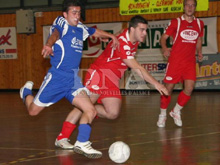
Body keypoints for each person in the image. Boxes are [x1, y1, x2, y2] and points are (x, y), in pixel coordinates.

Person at [20, 0, 119, 159]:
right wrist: (48, 45)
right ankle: (25, 92)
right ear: (65, 14)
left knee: (90, 109)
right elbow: (55, 34)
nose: (77, 16)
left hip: (73, 80)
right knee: (33, 111)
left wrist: (111, 36)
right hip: (57, 78)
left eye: (79, 13)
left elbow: (94, 32)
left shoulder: (81, 28)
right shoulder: (61, 23)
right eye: (73, 12)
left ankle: (81, 142)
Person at [54, 15, 169, 149]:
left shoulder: (131, 36)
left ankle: (90, 111)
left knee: (113, 113)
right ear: (132, 29)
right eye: (142, 30)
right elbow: (137, 68)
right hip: (99, 73)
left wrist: (111, 36)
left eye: (145, 30)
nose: (144, 33)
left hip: (112, 79)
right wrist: (157, 84)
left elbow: (121, 31)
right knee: (83, 106)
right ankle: (63, 138)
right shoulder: (123, 44)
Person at [157, 0, 204, 128]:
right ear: (183, 7)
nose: (190, 7)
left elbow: (199, 39)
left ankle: (176, 111)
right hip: (175, 62)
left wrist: (199, 52)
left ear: (195, 7)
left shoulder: (199, 23)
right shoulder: (176, 22)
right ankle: (162, 114)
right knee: (168, 90)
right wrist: (165, 48)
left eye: (192, 5)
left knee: (189, 88)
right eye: (187, 5)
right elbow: (163, 38)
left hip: (189, 62)